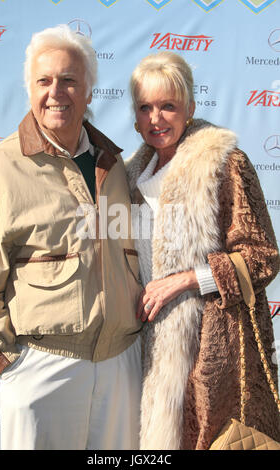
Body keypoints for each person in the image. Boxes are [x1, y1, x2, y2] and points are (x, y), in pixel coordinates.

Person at [0, 24, 142, 450]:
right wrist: (4, 360)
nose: (57, 92)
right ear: (29, 89)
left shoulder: (117, 166)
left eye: (70, 80)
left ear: (89, 91)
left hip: (121, 364)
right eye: (44, 80)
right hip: (42, 366)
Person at [126, 50, 280, 450]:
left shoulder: (223, 164)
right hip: (147, 350)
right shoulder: (130, 178)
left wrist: (186, 280)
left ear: (190, 108)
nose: (155, 118)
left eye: (168, 106)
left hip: (209, 351)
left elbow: (263, 256)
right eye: (145, 107)